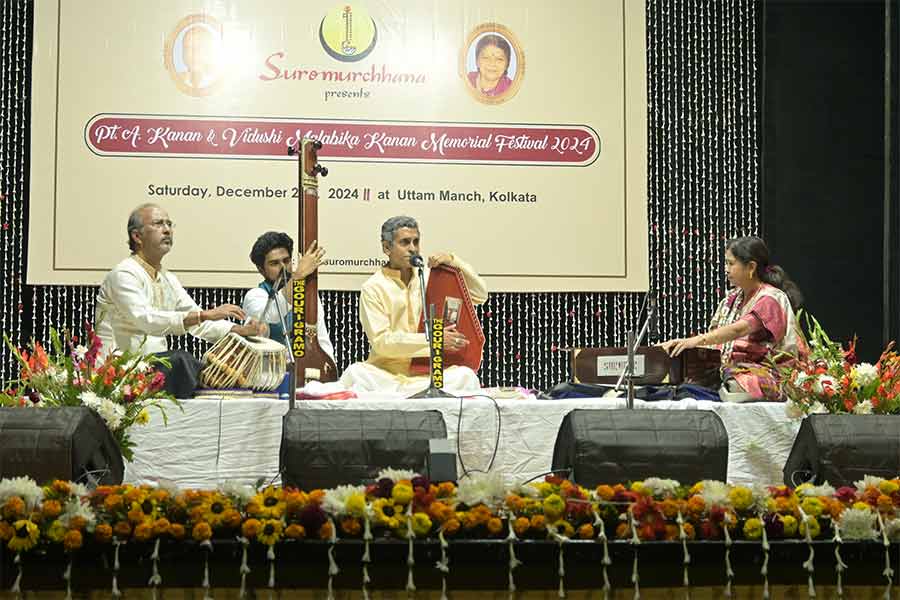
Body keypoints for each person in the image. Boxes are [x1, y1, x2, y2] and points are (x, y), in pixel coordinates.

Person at [95, 203, 265, 397]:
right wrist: (202, 315)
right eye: (158, 224)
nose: (167, 230)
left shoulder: (168, 279)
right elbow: (146, 320)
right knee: (181, 361)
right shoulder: (124, 274)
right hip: (117, 375)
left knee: (188, 364)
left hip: (157, 373)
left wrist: (239, 330)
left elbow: (199, 324)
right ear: (137, 236)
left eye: (169, 224)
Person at [340, 216, 488, 392]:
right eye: (405, 242)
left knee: (465, 376)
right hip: (386, 376)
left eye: (416, 242)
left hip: (428, 375)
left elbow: (480, 295)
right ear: (387, 248)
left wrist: (453, 261)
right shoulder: (373, 287)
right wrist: (433, 340)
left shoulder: (429, 278)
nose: (413, 248)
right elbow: (382, 342)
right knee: (356, 373)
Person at [660, 236, 808, 402]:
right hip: (728, 371)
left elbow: (739, 329)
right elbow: (715, 340)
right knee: (685, 383)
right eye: (726, 263)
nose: (726, 269)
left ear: (751, 267)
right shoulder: (731, 298)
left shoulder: (770, 298)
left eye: (731, 263)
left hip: (768, 374)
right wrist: (676, 348)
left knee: (740, 383)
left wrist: (692, 340)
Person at [242, 231, 335, 362]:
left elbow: (321, 339)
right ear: (261, 269)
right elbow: (271, 314)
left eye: (286, 261)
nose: (283, 268)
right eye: (274, 263)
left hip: (306, 373)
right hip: (270, 377)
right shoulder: (255, 296)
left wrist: (329, 370)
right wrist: (298, 277)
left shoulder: (308, 294)